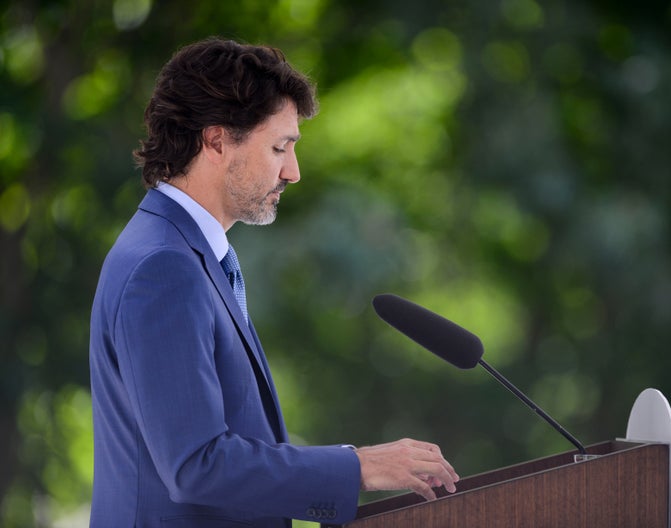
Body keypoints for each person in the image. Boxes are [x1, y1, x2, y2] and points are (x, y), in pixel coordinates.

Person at [89, 37, 459, 527]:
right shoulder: (164, 267)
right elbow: (195, 466)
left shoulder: (182, 252)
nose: (293, 171)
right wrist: (358, 466)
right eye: (279, 146)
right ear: (216, 140)